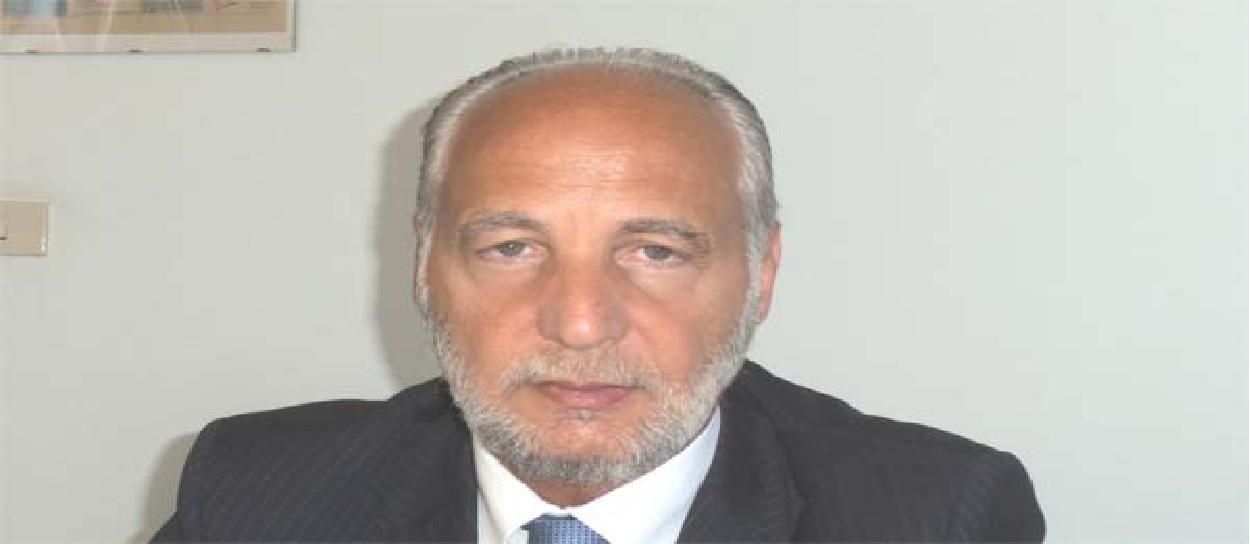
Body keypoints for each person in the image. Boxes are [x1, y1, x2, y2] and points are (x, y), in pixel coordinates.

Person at [151, 47, 1045, 543]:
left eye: (654, 252)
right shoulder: (259, 493)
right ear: (425, 266)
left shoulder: (932, 516)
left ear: (761, 273)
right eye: (512, 248)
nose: (580, 323)